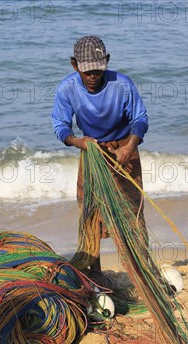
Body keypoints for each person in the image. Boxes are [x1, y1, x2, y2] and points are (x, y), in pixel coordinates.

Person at [51, 35, 149, 272]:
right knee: (90, 213)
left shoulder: (122, 84)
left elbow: (140, 119)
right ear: (75, 65)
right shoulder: (67, 89)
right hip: (91, 150)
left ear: (106, 61)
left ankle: (141, 270)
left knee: (132, 212)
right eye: (86, 71)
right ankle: (95, 274)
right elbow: (60, 126)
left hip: (124, 149)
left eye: (97, 69)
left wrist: (130, 146)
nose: (93, 76)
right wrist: (77, 141)